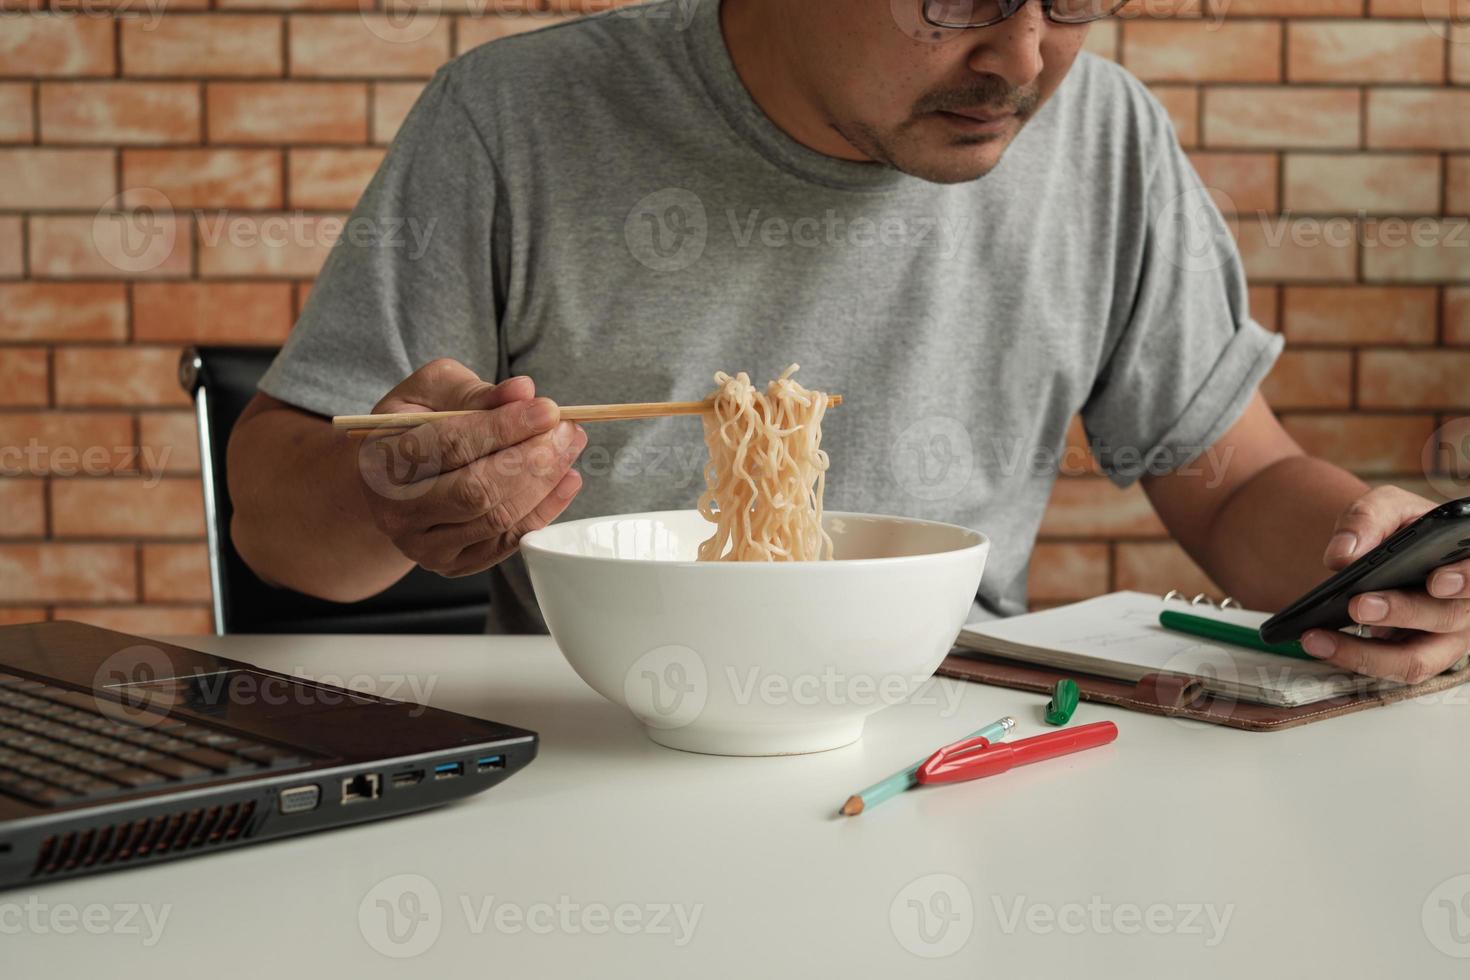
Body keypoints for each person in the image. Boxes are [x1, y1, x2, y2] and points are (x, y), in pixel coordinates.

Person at [227, 0, 1469, 683]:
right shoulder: (516, 119)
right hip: (610, 729)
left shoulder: (1102, 135)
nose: (1024, 59)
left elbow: (1238, 480)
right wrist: (386, 492)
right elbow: (283, 528)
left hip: (964, 735)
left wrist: (1370, 561)